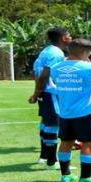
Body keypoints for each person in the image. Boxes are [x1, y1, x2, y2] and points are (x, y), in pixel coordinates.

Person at [50, 39, 91, 182]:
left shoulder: (55, 68)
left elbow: (59, 83)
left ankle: (65, 175)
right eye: (90, 52)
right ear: (84, 52)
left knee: (66, 142)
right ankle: (86, 177)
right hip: (87, 111)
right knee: (89, 143)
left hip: (65, 112)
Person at [28, 27, 72, 169]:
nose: (71, 37)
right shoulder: (55, 53)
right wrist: (37, 92)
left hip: (45, 92)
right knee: (53, 124)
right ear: (63, 38)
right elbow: (45, 74)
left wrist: (38, 91)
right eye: (69, 35)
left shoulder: (47, 50)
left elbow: (36, 71)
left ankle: (44, 156)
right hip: (50, 93)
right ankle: (52, 162)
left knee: (46, 123)